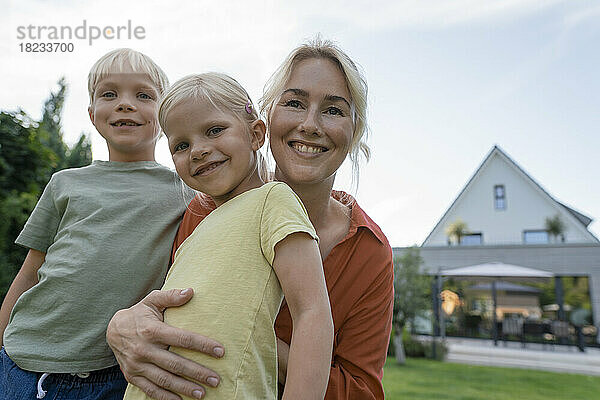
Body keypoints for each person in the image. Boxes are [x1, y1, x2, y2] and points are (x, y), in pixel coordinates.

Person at [107, 38, 394, 400]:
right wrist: (123, 325)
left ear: (354, 131)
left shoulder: (368, 250)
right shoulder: (204, 210)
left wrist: (247, 334)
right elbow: (161, 304)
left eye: (334, 110)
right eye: (294, 103)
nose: (310, 124)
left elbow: (361, 392)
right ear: (267, 119)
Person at [123, 72, 333, 400]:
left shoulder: (272, 200)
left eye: (215, 130)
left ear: (256, 133)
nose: (198, 150)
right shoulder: (195, 232)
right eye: (181, 144)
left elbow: (312, 312)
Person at [0, 48, 194, 400]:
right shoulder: (65, 183)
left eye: (143, 95)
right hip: (21, 362)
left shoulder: (185, 191)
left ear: (165, 115)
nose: (125, 104)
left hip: (113, 372)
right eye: (109, 94)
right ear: (92, 114)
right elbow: (29, 273)